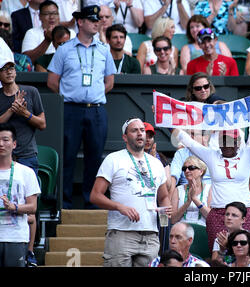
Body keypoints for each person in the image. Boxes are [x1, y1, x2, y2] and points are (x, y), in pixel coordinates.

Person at [47, 5, 116, 209]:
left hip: (96, 109)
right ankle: (65, 203)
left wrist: (93, 94)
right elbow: (52, 81)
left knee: (95, 158)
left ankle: (91, 201)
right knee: (67, 156)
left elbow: (110, 81)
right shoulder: (64, 49)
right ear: (80, 22)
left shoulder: (104, 50)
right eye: (92, 20)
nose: (97, 23)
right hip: (71, 109)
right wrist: (70, 95)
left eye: (98, 20)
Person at [172, 124, 250, 252]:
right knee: (219, 254)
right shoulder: (211, 155)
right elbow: (187, 141)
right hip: (218, 214)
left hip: (245, 213)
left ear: (238, 142)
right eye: (223, 140)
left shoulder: (247, 153)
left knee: (249, 253)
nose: (226, 145)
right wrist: (163, 118)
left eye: (230, 141)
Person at [90, 118, 172, 267]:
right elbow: (95, 196)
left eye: (142, 130)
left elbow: (164, 196)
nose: (140, 134)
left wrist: (165, 217)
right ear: (125, 137)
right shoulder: (113, 159)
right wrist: (120, 207)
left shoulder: (156, 163)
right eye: (134, 131)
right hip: (121, 233)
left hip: (150, 234)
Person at [0, 123, 41, 267]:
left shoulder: (26, 172)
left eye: (5, 140)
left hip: (15, 238)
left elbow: (33, 207)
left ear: (14, 144)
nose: (1, 144)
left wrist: (14, 207)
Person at [171, 156, 211, 226]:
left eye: (191, 168)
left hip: (203, 229)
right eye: (184, 168)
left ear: (201, 171)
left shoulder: (209, 189)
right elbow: (173, 220)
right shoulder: (178, 190)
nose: (187, 171)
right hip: (182, 230)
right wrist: (188, 202)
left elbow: (211, 218)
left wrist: (195, 199)